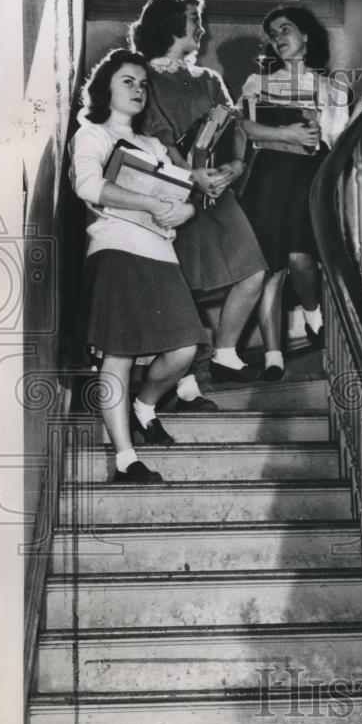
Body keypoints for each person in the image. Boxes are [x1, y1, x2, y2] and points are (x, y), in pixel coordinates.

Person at [70, 48, 207, 483]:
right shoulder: (91, 135)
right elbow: (90, 186)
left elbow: (183, 197)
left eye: (143, 84)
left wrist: (183, 211)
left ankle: (143, 405)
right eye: (127, 81)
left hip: (160, 253)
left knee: (184, 347)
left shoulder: (152, 145)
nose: (138, 90)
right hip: (115, 248)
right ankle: (125, 457)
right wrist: (151, 202)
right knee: (120, 353)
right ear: (105, 87)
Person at [129, 0, 267, 409]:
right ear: (171, 25)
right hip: (174, 195)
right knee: (179, 289)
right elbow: (154, 139)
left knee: (254, 270)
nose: (200, 27)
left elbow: (235, 127)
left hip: (218, 191)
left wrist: (238, 166)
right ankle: (186, 385)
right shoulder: (143, 78)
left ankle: (225, 352)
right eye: (193, 19)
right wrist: (188, 175)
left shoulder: (209, 79)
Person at [237, 5, 348, 381]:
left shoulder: (332, 87)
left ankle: (313, 313)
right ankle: (272, 356)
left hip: (307, 178)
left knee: (301, 260)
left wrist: (317, 128)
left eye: (285, 29)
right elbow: (247, 133)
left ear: (306, 36)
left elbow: (335, 139)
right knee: (270, 269)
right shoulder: (257, 82)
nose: (278, 38)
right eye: (272, 33)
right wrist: (285, 134)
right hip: (268, 181)